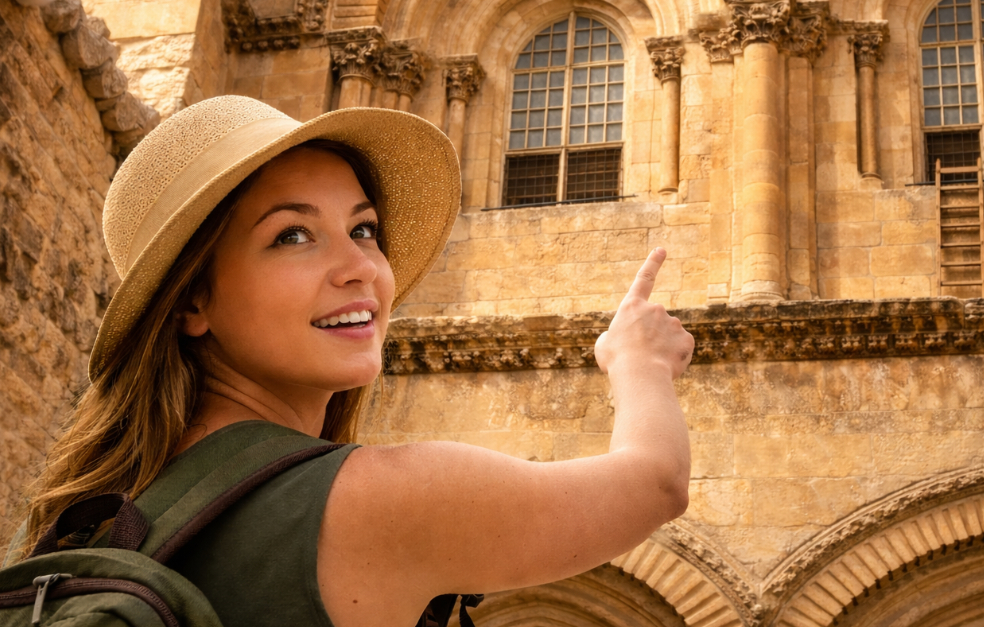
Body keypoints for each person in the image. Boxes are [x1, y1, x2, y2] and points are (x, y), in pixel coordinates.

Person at [8, 95, 694, 626]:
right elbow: (655, 483)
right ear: (193, 302)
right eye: (293, 235)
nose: (360, 267)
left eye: (363, 228)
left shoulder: (87, 515)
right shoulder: (377, 499)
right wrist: (638, 361)